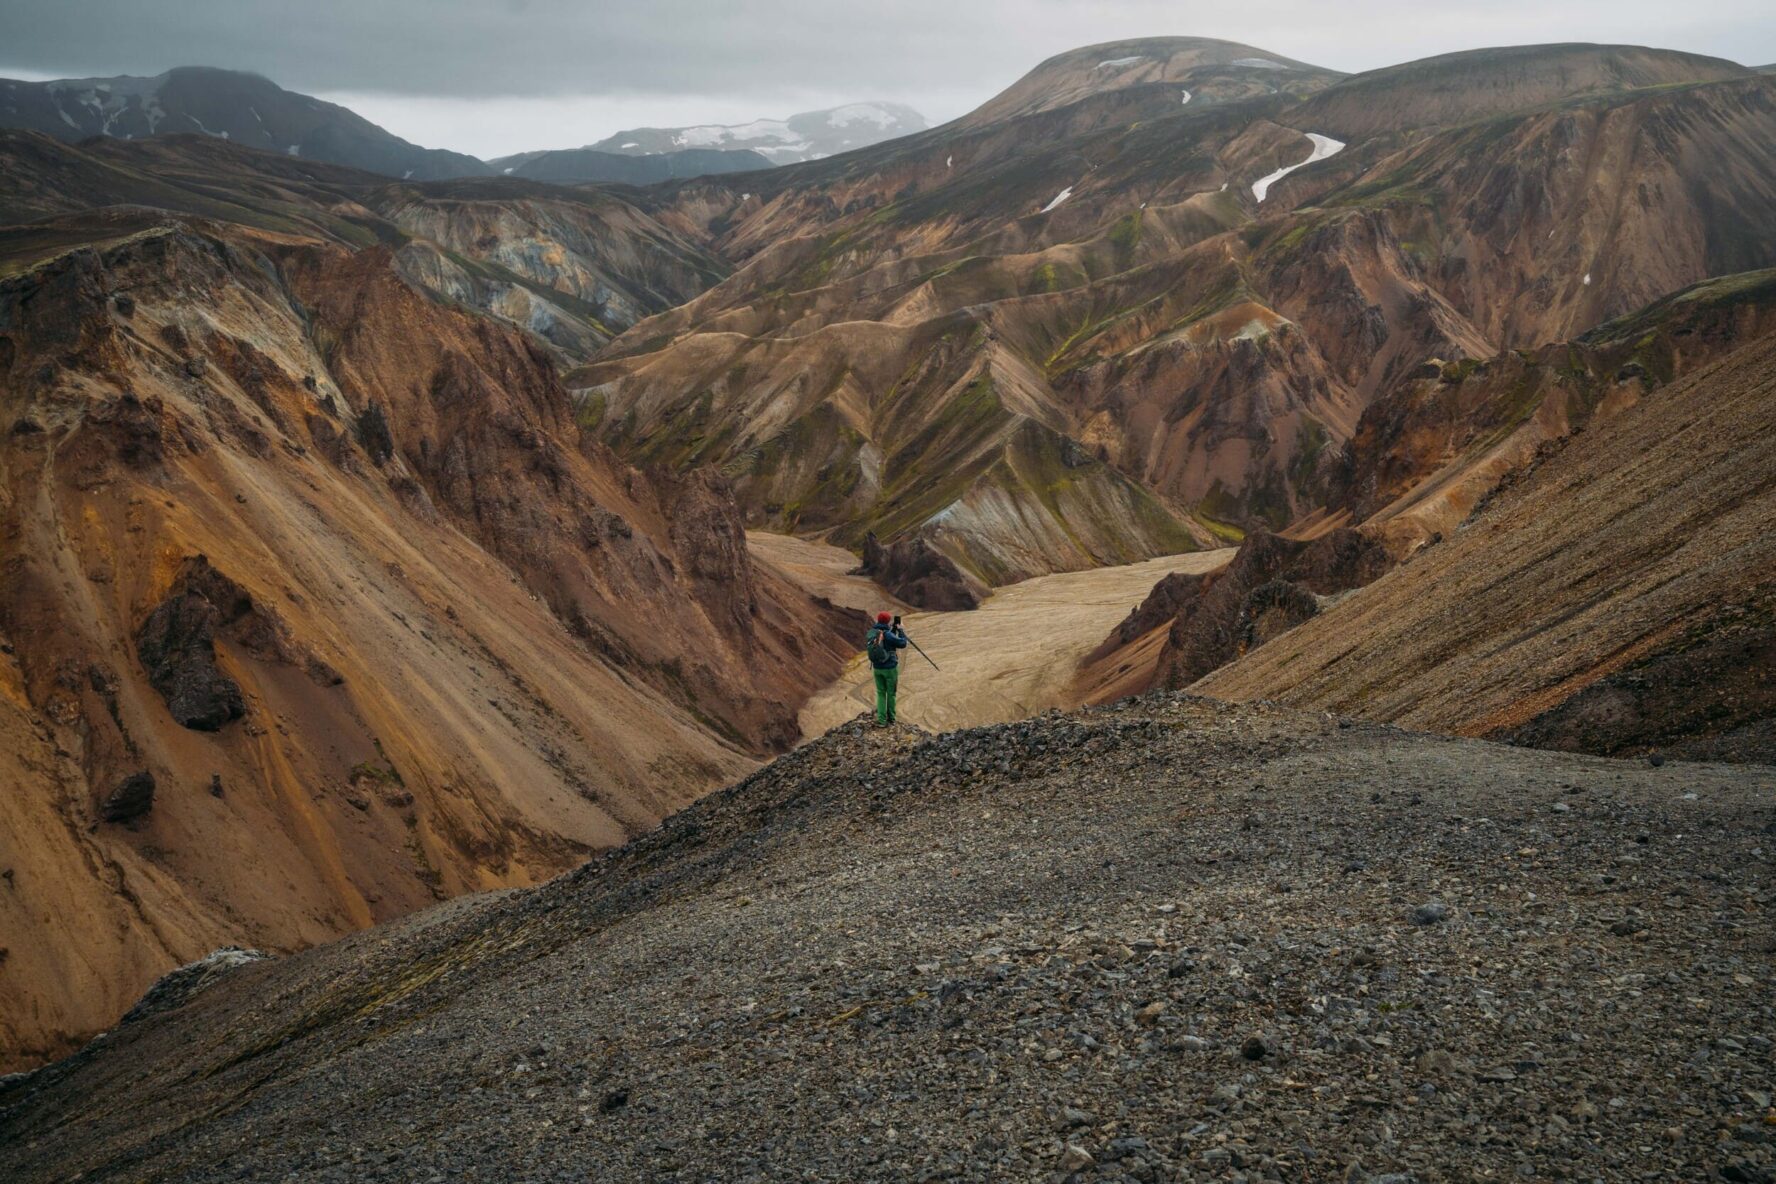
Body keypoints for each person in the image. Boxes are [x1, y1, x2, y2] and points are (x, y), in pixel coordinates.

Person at [865, 611, 909, 726]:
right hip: (890, 669)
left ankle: (881, 720)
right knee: (891, 693)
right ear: (888, 621)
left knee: (880, 693)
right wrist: (900, 630)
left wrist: (892, 630)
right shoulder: (888, 635)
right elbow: (903, 643)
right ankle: (891, 718)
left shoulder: (872, 632)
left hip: (877, 668)